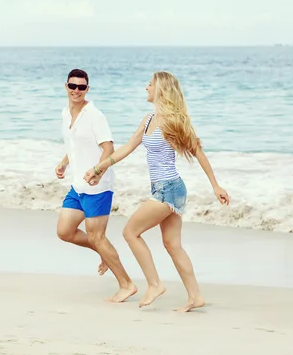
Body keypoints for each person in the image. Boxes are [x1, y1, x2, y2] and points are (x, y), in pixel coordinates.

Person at [83, 71, 230, 312]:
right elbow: (128, 148)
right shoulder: (149, 119)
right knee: (172, 244)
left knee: (131, 232)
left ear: (160, 89)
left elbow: (198, 152)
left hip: (169, 190)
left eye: (150, 85)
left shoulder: (175, 121)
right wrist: (98, 168)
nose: (146, 88)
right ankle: (195, 296)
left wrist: (215, 185)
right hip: (165, 189)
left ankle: (154, 284)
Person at [55, 68, 137, 303]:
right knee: (65, 231)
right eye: (73, 86)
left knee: (97, 236)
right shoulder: (65, 113)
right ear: (66, 87)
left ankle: (127, 284)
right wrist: (63, 163)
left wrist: (99, 172)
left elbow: (108, 147)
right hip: (78, 184)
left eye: (81, 87)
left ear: (87, 89)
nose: (76, 91)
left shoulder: (94, 115)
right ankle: (105, 253)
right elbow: (75, 146)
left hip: (98, 186)